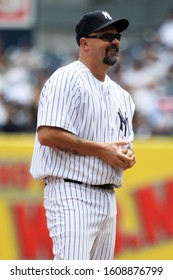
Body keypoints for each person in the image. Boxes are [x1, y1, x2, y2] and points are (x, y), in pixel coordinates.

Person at [30, 10, 136, 260]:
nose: (115, 41)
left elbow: (121, 145)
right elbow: (48, 135)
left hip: (108, 197)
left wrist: (126, 156)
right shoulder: (67, 78)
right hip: (72, 193)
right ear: (85, 43)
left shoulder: (123, 96)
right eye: (106, 35)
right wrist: (102, 150)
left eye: (117, 35)